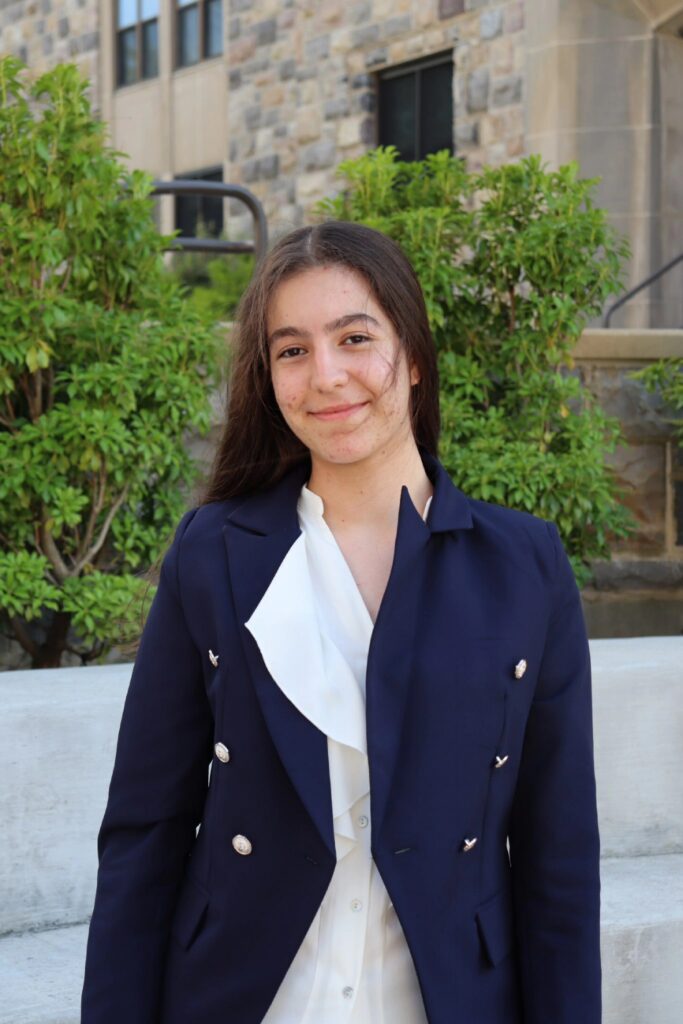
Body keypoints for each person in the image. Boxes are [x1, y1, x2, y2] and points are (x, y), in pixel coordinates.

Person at [81, 220, 602, 1024]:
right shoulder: (213, 553)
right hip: (242, 997)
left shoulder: (524, 565)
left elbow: (557, 859)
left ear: (415, 355)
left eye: (354, 338)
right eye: (291, 350)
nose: (325, 376)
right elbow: (144, 833)